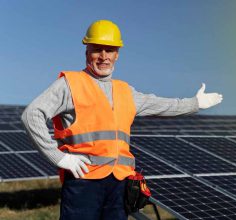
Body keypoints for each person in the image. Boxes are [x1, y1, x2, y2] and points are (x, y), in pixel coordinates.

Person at [21, 20, 223, 220]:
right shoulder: (69, 84)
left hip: (119, 182)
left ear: (117, 54)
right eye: (97, 49)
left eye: (109, 50)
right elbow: (31, 115)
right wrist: (60, 158)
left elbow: (162, 105)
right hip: (84, 181)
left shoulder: (125, 91)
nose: (103, 56)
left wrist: (195, 103)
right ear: (86, 51)